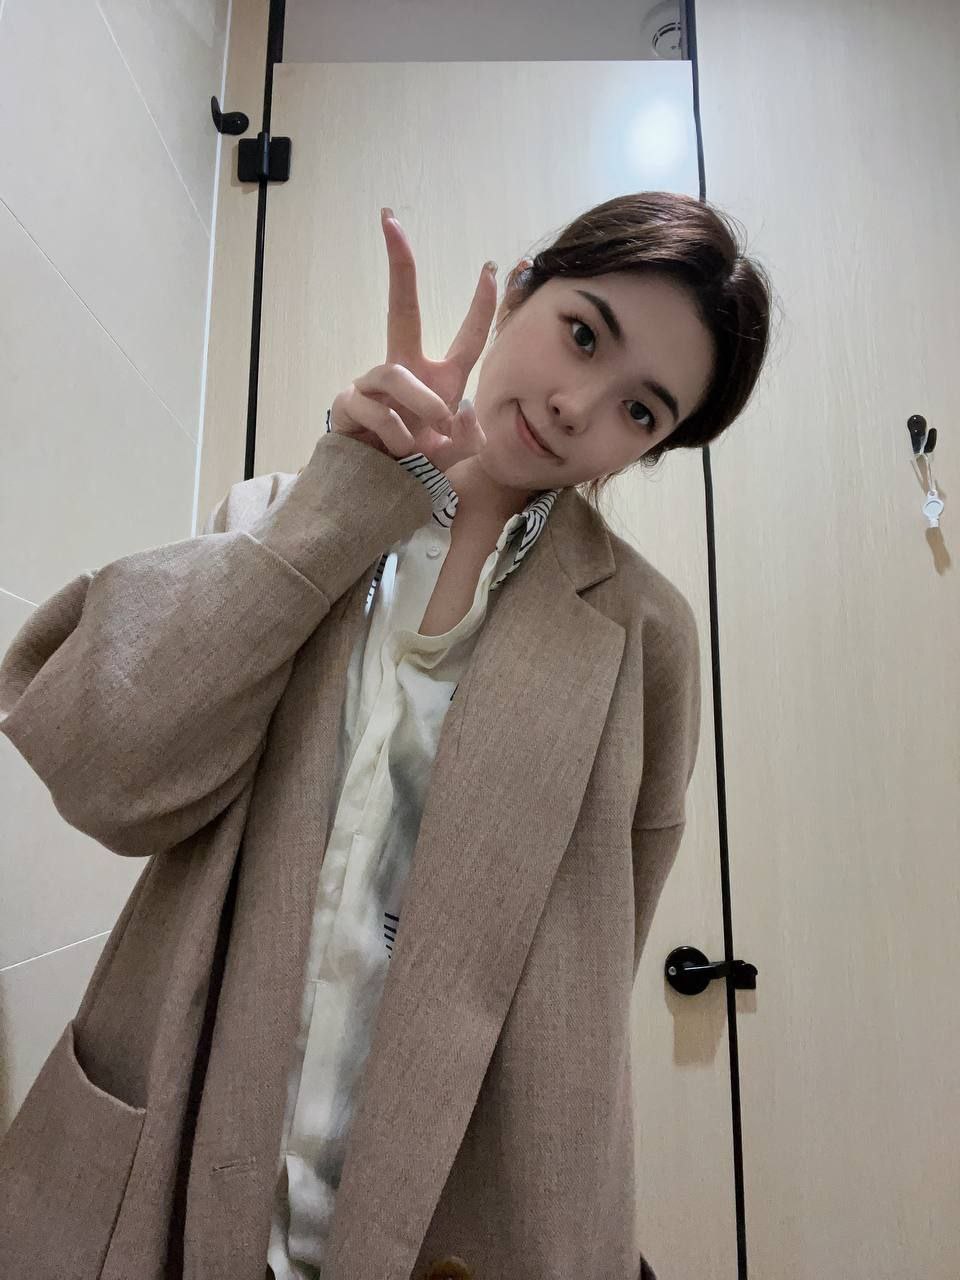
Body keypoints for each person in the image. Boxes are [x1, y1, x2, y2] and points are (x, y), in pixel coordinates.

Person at [0, 192, 773, 1280]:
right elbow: (107, 777)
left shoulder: (645, 638)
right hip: (183, 1163)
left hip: (447, 1208)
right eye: (583, 332)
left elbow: (591, 959)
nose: (576, 405)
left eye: (639, 412)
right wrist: (346, 497)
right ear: (521, 289)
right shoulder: (281, 513)